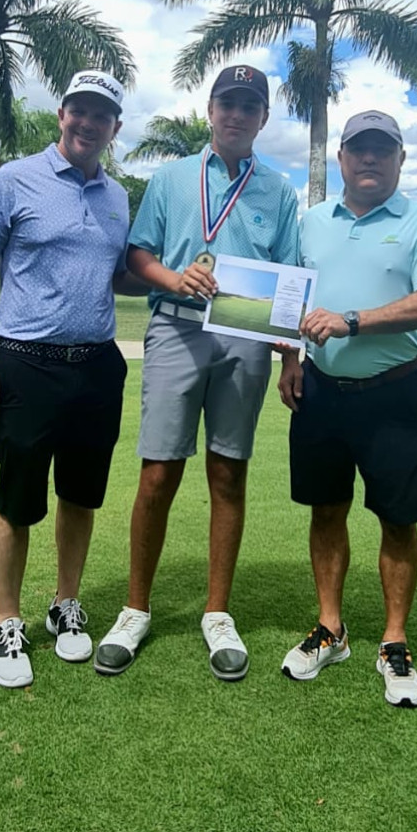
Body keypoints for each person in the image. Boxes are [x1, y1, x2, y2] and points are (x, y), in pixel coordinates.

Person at [94, 64, 299, 682]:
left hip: (245, 338)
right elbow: (137, 254)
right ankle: (135, 609)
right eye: (227, 102)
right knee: (158, 472)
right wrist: (173, 278)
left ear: (263, 118)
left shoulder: (279, 191)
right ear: (210, 110)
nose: (236, 114)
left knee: (228, 472)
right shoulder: (174, 177)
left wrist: (293, 357)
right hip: (176, 329)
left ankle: (217, 613)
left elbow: (289, 281)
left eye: (249, 105)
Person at [0, 68, 141, 689]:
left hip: (96, 365)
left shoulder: (116, 197)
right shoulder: (16, 180)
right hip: (26, 362)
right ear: (62, 113)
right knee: (17, 494)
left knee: (81, 494)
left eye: (102, 115)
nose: (88, 123)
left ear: (115, 128)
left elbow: (117, 275)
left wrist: (190, 278)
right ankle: (6, 621)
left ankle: (66, 602)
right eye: (79, 111)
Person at [277, 110, 417, 708]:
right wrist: (293, 358)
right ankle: (332, 628)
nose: (370, 160)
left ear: (401, 159)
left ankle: (394, 640)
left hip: (393, 392)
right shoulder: (311, 222)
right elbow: (293, 298)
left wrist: (351, 321)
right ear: (342, 158)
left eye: (383, 150)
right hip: (322, 393)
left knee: (397, 518)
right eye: (359, 150)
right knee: (325, 511)